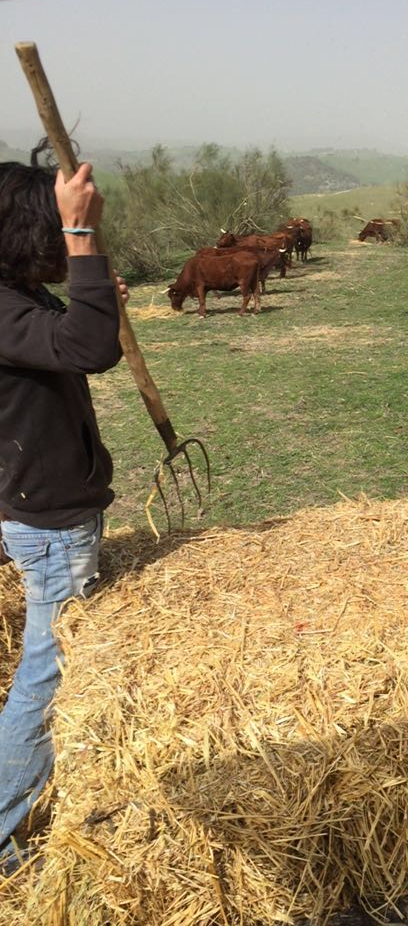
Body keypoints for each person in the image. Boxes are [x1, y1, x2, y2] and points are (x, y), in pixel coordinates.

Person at [0, 159, 127, 874]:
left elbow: (75, 333)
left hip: (43, 511)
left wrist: (95, 295)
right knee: (44, 678)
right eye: (51, 233)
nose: (60, 244)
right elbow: (87, 348)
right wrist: (81, 234)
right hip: (49, 525)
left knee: (45, 667)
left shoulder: (16, 294)